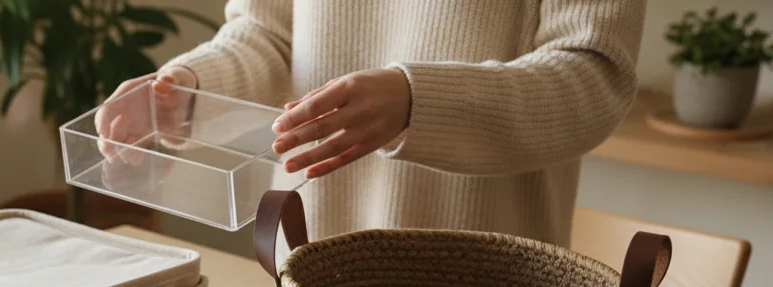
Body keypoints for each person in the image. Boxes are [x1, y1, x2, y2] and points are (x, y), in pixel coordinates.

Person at [99, 0, 646, 249]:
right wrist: (190, 89)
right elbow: (267, 34)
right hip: (308, 277)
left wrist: (418, 101)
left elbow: (593, 78)